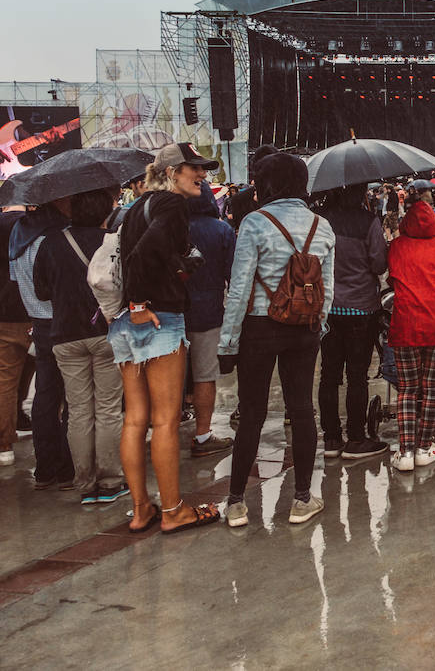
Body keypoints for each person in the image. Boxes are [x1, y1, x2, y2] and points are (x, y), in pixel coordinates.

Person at [111, 142, 222, 533]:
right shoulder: (172, 206)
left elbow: (138, 256)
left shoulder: (136, 206)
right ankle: (174, 510)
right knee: (165, 420)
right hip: (157, 321)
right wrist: (143, 302)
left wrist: (135, 304)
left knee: (135, 419)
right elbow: (144, 254)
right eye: (195, 169)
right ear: (173, 172)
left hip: (124, 322)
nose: (203, 177)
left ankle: (142, 509)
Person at [218, 151, 334, 527]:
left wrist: (228, 344)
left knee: (251, 413)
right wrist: (320, 325)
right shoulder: (323, 225)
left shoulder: (254, 222)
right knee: (302, 410)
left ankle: (236, 503)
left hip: (260, 328)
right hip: (305, 328)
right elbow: (326, 289)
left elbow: (239, 288)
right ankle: (302, 498)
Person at [33, 187, 126, 504]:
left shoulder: (51, 243)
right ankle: (111, 481)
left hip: (63, 336)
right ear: (104, 210)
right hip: (106, 334)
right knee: (108, 409)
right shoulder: (111, 242)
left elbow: (41, 291)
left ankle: (84, 483)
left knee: (78, 411)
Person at [386, 188, 435, 471]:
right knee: (432, 388)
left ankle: (404, 453)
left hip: (406, 323)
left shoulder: (396, 246)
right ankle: (425, 447)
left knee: (406, 390)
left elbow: (392, 278)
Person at [319, 184, 389, 460]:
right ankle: (356, 439)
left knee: (329, 375)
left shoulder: (322, 221)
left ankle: (332, 439)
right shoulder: (368, 222)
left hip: (328, 310)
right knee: (357, 377)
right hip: (361, 310)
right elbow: (379, 265)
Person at [9, 199, 74, 489]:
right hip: (62, 321)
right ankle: (68, 465)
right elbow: (57, 285)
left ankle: (46, 468)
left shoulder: (18, 236)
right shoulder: (52, 238)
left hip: (38, 322)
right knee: (75, 396)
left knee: (45, 396)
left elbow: (16, 279)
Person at [184, 180, 235, 457]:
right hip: (209, 312)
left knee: (171, 379)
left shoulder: (172, 227)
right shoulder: (222, 230)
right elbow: (233, 275)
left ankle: (165, 431)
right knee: (205, 376)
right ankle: (202, 435)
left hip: (172, 315)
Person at [0, 204, 29, 467]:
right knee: (49, 379)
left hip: (5, 313)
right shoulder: (32, 225)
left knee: (6, 379)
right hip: (35, 311)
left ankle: (4, 445)